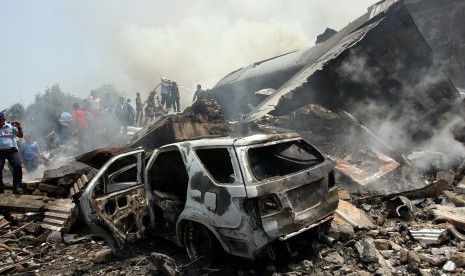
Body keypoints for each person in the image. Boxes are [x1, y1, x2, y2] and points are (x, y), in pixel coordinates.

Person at [0, 112, 24, 194]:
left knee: (17, 166)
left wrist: (19, 128)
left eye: (0, 120)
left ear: (3, 119)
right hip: (0, 152)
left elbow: (20, 136)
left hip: (11, 150)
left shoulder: (11, 126)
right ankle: (0, 189)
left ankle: (17, 187)